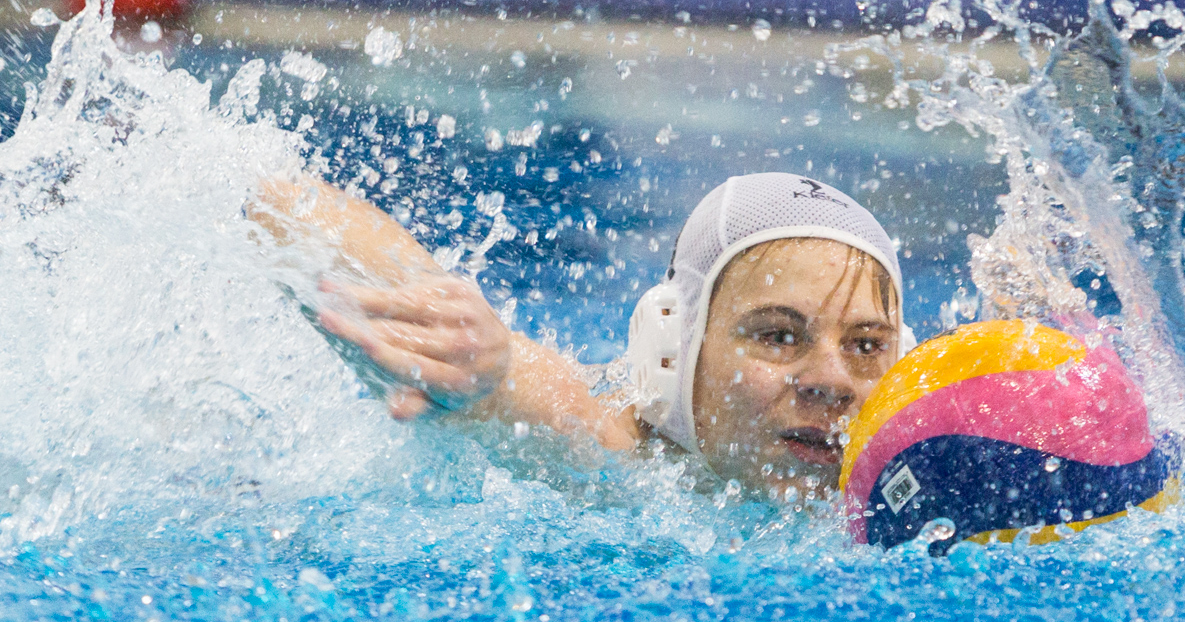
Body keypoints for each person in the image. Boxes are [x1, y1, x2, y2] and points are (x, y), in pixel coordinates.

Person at [251, 172, 912, 501]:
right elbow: (280, 202)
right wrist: (459, 342)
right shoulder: (612, 451)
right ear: (673, 350)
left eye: (865, 344)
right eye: (777, 334)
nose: (832, 380)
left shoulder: (919, 469)